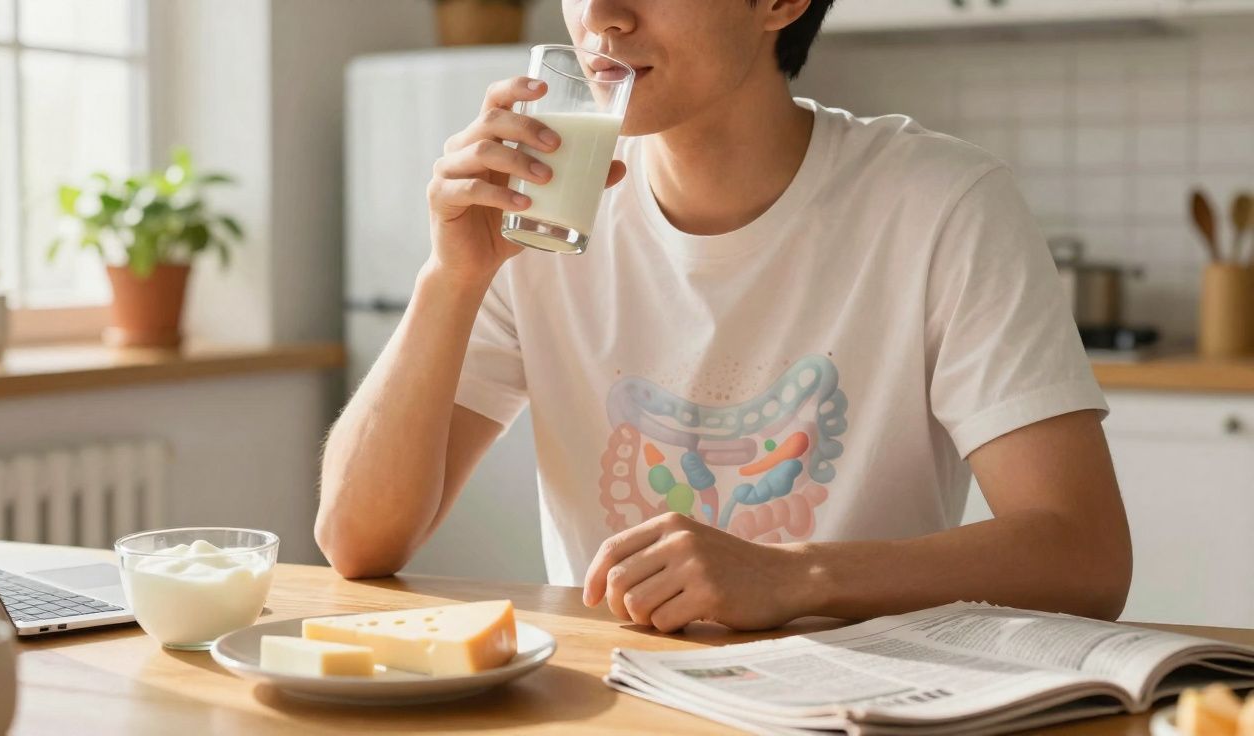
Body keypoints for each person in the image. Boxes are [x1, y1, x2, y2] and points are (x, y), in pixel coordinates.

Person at [316, 0, 1133, 632]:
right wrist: (447, 278)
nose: (602, 13)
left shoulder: (941, 204)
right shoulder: (545, 213)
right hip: (623, 696)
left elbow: (1084, 554)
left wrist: (797, 576)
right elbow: (356, 542)